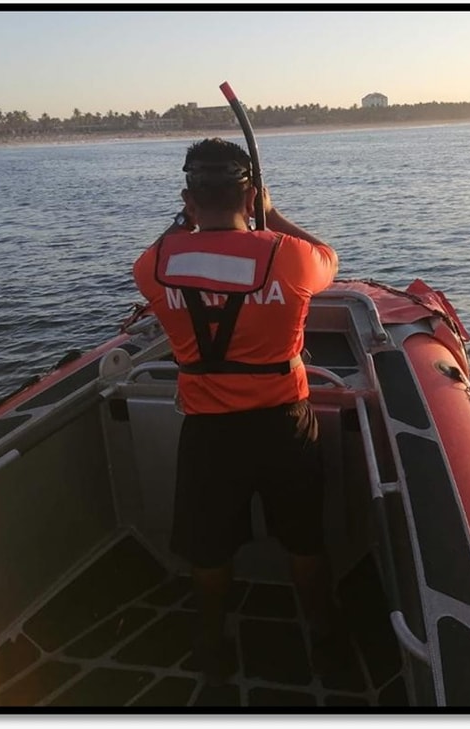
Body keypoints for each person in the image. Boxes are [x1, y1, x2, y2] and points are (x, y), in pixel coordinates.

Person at [132, 138, 346, 684]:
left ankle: (212, 646)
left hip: (208, 435)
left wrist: (187, 221)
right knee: (304, 540)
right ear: (250, 195)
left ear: (188, 198)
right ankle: (324, 640)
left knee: (209, 551)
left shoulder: (154, 266)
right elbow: (330, 258)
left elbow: (164, 248)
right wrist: (271, 214)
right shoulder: (290, 256)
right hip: (284, 426)